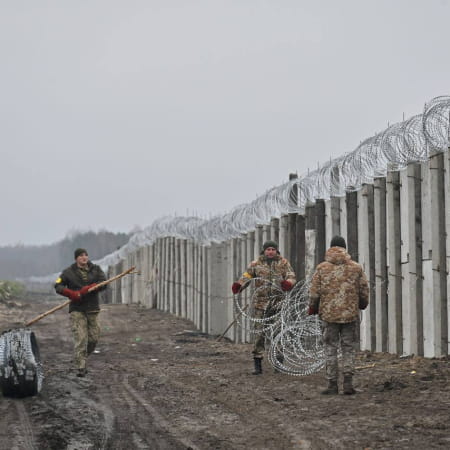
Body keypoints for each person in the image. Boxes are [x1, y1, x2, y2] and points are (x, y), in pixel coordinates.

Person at [308, 236, 369, 395]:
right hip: (350, 314)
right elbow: (364, 289)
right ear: (344, 248)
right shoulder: (356, 267)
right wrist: (362, 304)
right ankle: (348, 383)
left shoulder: (322, 268)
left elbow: (314, 292)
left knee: (330, 348)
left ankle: (332, 384)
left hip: (328, 315)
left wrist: (313, 308)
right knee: (348, 348)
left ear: (330, 248)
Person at [231, 240, 296, 375]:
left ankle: (279, 363)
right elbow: (247, 277)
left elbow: (291, 276)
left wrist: (288, 283)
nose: (270, 251)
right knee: (259, 333)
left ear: (276, 250)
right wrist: (239, 285)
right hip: (261, 304)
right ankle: (258, 363)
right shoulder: (256, 264)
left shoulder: (283, 263)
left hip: (278, 303)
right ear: (264, 251)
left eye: (273, 249)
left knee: (278, 332)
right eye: (268, 249)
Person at [55, 248, 107, 377]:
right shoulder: (68, 272)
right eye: (81, 256)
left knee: (94, 338)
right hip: (77, 309)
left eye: (86, 255)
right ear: (76, 258)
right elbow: (57, 286)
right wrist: (71, 293)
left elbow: (104, 283)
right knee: (81, 338)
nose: (84, 257)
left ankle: (82, 356)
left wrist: (91, 288)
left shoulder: (96, 269)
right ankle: (81, 366)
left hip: (92, 308)